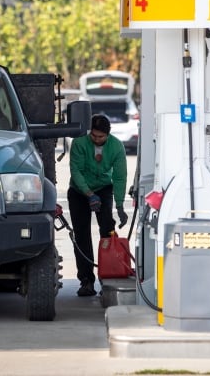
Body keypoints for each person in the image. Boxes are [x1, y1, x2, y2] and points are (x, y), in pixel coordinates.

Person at [68, 114, 128, 297]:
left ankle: (107, 278)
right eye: (94, 136)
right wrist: (88, 194)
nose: (97, 139)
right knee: (82, 235)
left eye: (101, 137)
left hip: (103, 189)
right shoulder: (79, 143)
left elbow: (119, 177)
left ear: (108, 135)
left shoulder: (117, 147)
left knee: (107, 232)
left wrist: (119, 205)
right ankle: (86, 280)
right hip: (79, 191)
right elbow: (75, 171)